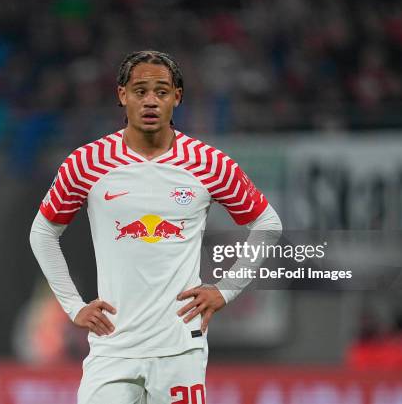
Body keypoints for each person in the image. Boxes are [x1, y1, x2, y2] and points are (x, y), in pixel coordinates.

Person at [30, 50, 282, 404]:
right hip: (113, 348)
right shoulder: (88, 162)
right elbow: (42, 231)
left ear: (176, 97)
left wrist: (226, 290)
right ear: (122, 95)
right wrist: (73, 305)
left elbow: (267, 223)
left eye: (161, 91)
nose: (150, 101)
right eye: (140, 90)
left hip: (180, 349)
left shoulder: (208, 163)